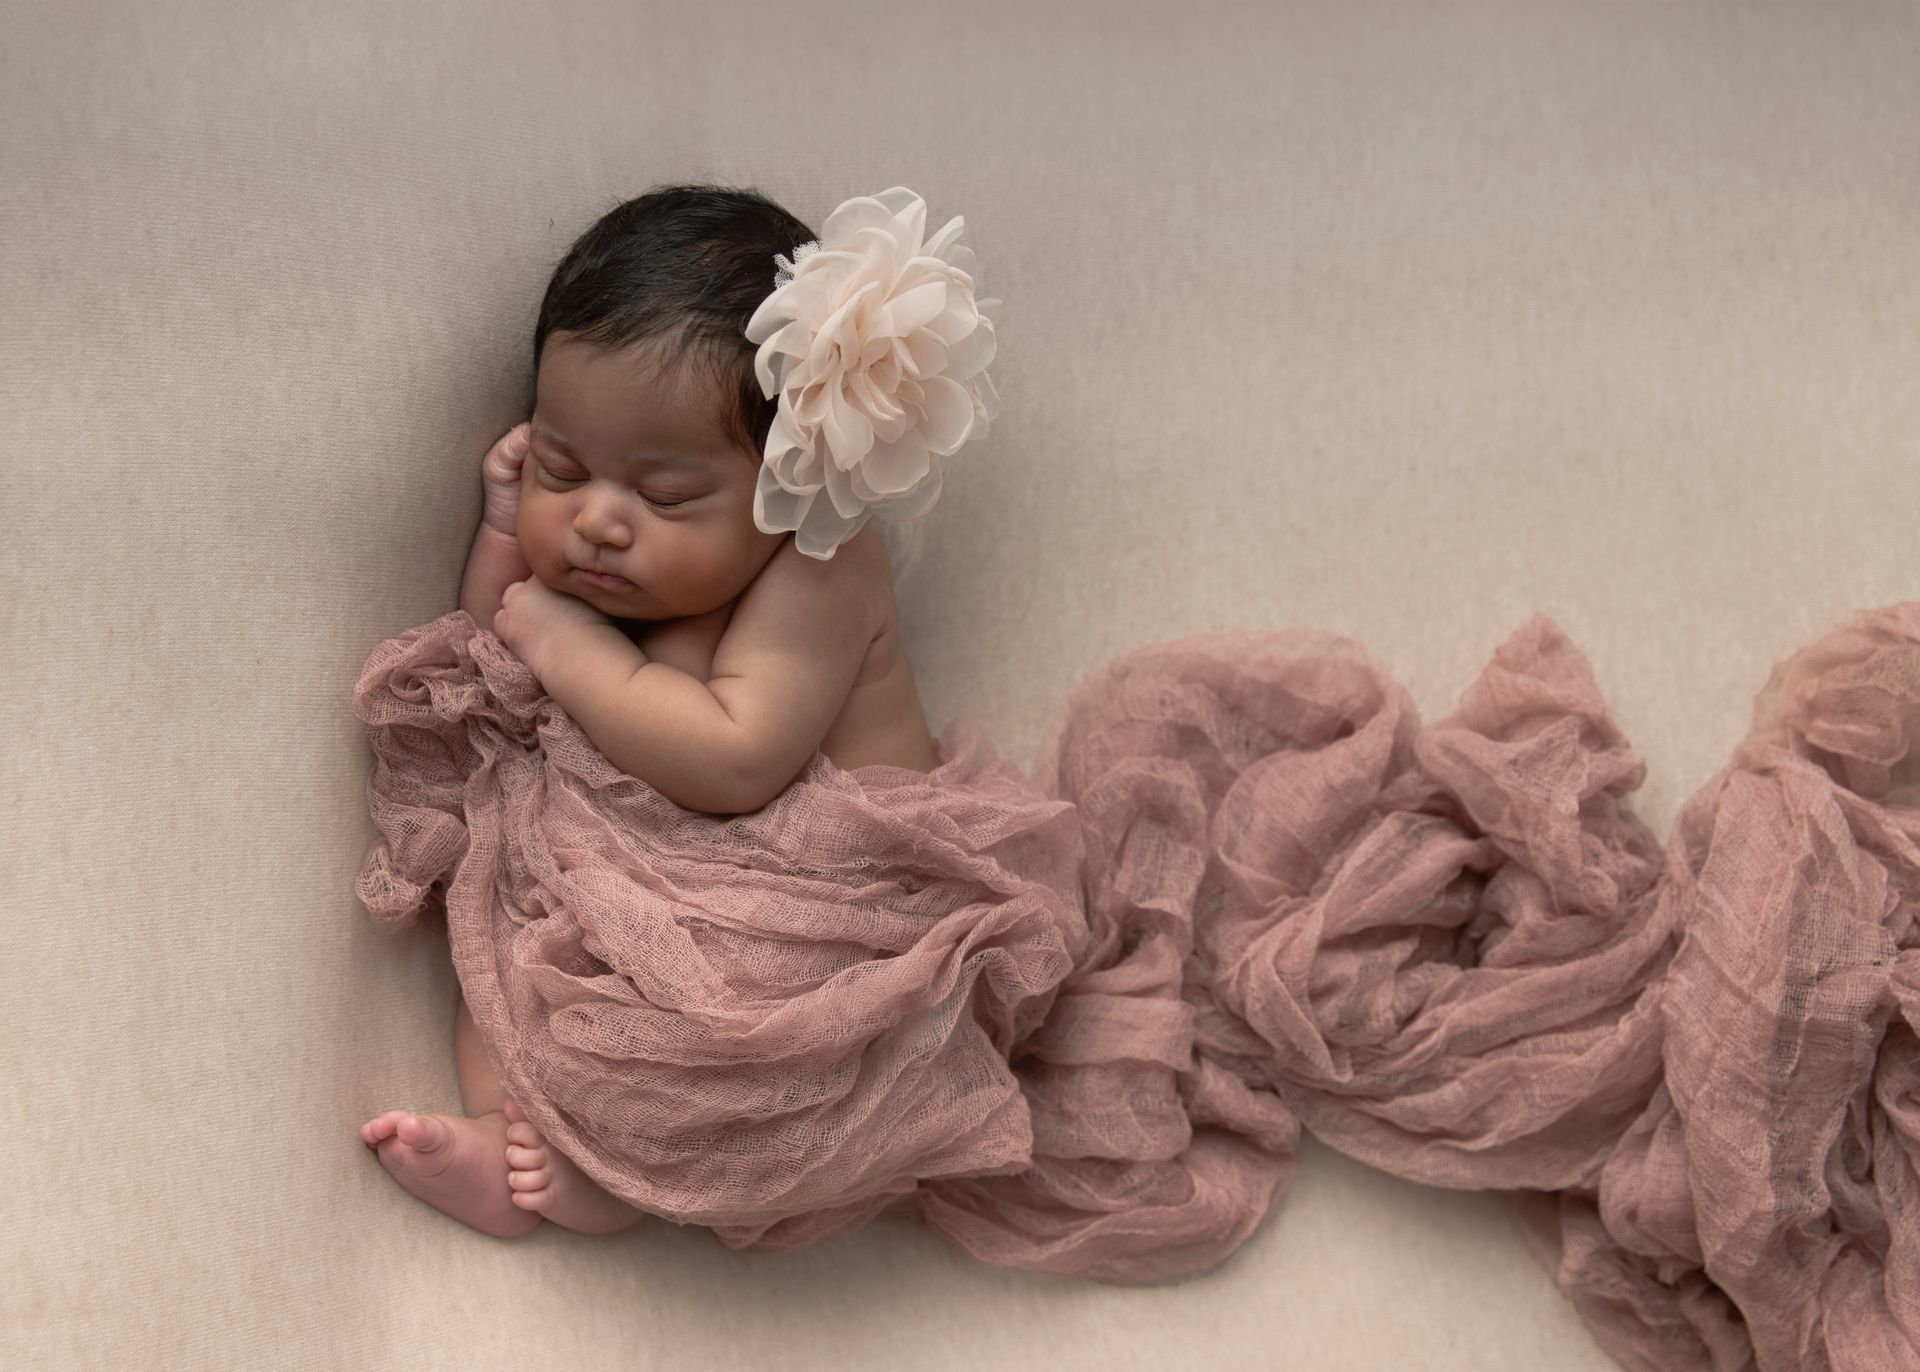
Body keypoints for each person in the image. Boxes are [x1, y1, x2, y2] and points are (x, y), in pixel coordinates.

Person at [356, 182, 1001, 1238]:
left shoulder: (822, 570)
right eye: (565, 463)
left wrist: (565, 643)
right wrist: (507, 533)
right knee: (507, 922)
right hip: (656, 862)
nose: (600, 522)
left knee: (730, 1043)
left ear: (792, 477)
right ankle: (507, 1126)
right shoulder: (609, 564)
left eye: (663, 497)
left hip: (815, 907)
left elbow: (735, 759)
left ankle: (616, 1191)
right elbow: (497, 658)